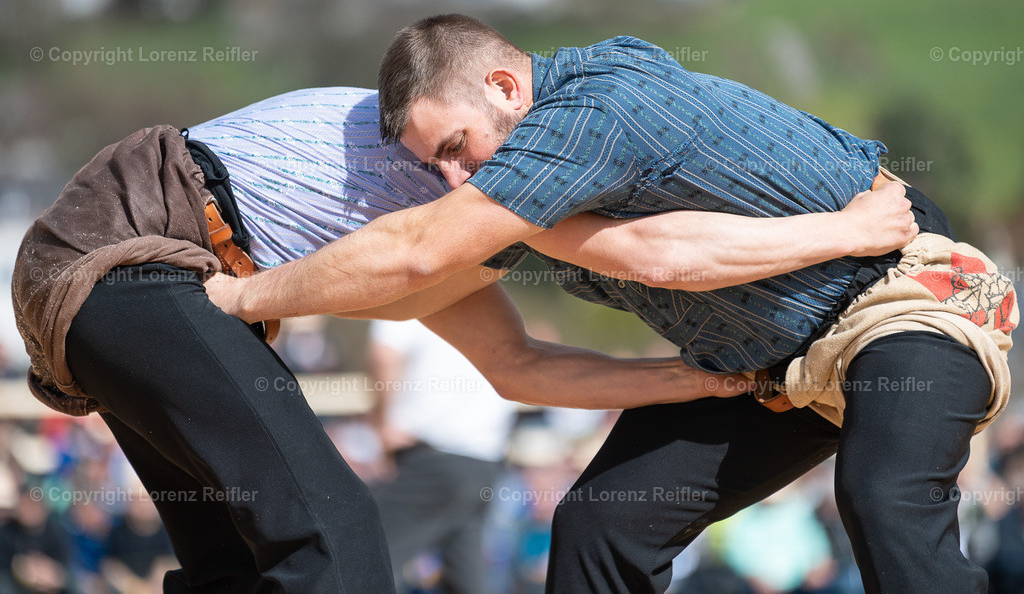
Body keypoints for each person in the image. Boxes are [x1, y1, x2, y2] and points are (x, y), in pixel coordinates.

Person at [205, 14, 1016, 593]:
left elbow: (657, 257)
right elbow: (494, 349)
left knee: (883, 497)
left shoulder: (587, 114)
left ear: (504, 84)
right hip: (774, 362)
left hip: (899, 290)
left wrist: (244, 294)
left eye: (456, 147)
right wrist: (687, 381)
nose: (456, 180)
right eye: (435, 165)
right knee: (599, 523)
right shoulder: (526, 191)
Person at [10, 87, 909, 592]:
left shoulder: (436, 241)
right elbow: (654, 253)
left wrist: (697, 379)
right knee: (335, 531)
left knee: (240, 562)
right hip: (131, 254)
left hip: (111, 293)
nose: (450, 171)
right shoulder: (470, 197)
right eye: (445, 153)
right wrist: (851, 232)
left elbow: (519, 367)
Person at [366, 318, 517, 593]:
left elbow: (384, 353)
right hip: (484, 461)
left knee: (367, 560)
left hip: (434, 457)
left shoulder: (402, 290)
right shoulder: (487, 295)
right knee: (467, 579)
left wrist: (382, 422)